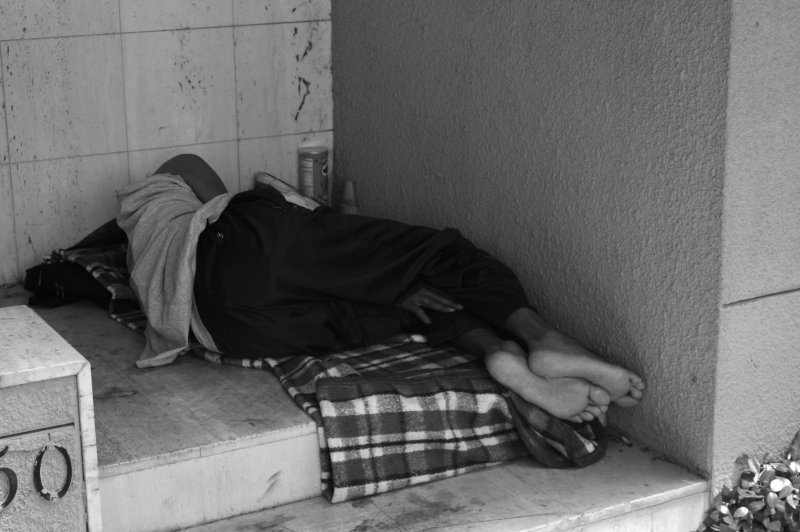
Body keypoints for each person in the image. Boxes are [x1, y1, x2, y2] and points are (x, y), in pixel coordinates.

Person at [117, 154, 644, 424]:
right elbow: (225, 204)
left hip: (222, 330)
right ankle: (540, 337)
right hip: (233, 246)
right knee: (440, 257)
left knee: (414, 305)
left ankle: (496, 351)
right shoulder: (167, 182)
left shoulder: (141, 250)